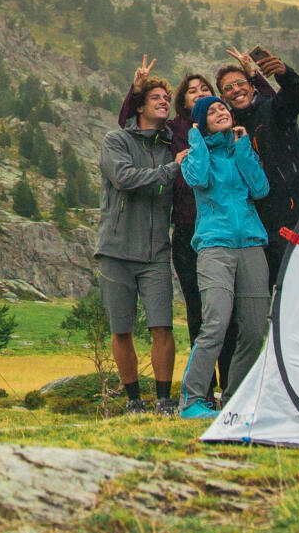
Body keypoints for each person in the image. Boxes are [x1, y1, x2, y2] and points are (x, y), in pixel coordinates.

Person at [175, 94, 271, 419]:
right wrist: (196, 138)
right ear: (201, 122)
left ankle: (234, 401)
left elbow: (260, 189)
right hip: (214, 246)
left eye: (222, 108)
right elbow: (197, 179)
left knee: (256, 329)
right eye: (211, 111)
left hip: (251, 244)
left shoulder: (242, 149)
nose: (221, 112)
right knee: (215, 322)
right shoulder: (196, 156)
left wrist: (243, 148)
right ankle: (191, 402)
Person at [116, 59, 213, 375]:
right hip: (187, 225)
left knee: (230, 311)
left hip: (222, 227)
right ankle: (203, 389)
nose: (199, 94)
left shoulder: (227, 124)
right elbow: (128, 120)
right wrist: (137, 89)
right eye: (192, 91)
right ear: (183, 103)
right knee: (197, 311)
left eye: (205, 89)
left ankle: (233, 385)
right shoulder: (177, 130)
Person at [94, 74, 179, 414]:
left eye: (166, 98)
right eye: (156, 97)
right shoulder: (115, 141)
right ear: (140, 105)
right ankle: (133, 401)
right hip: (116, 250)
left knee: (163, 324)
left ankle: (163, 400)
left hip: (157, 251)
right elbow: (125, 178)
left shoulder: (171, 145)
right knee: (121, 328)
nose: (163, 101)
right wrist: (171, 171)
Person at [215, 46, 299, 283]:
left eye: (240, 83)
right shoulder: (228, 130)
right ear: (222, 98)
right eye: (228, 88)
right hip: (256, 227)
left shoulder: (273, 110)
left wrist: (285, 73)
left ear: (251, 86)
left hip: (294, 216)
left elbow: (293, 97)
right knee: (269, 295)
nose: (236, 90)